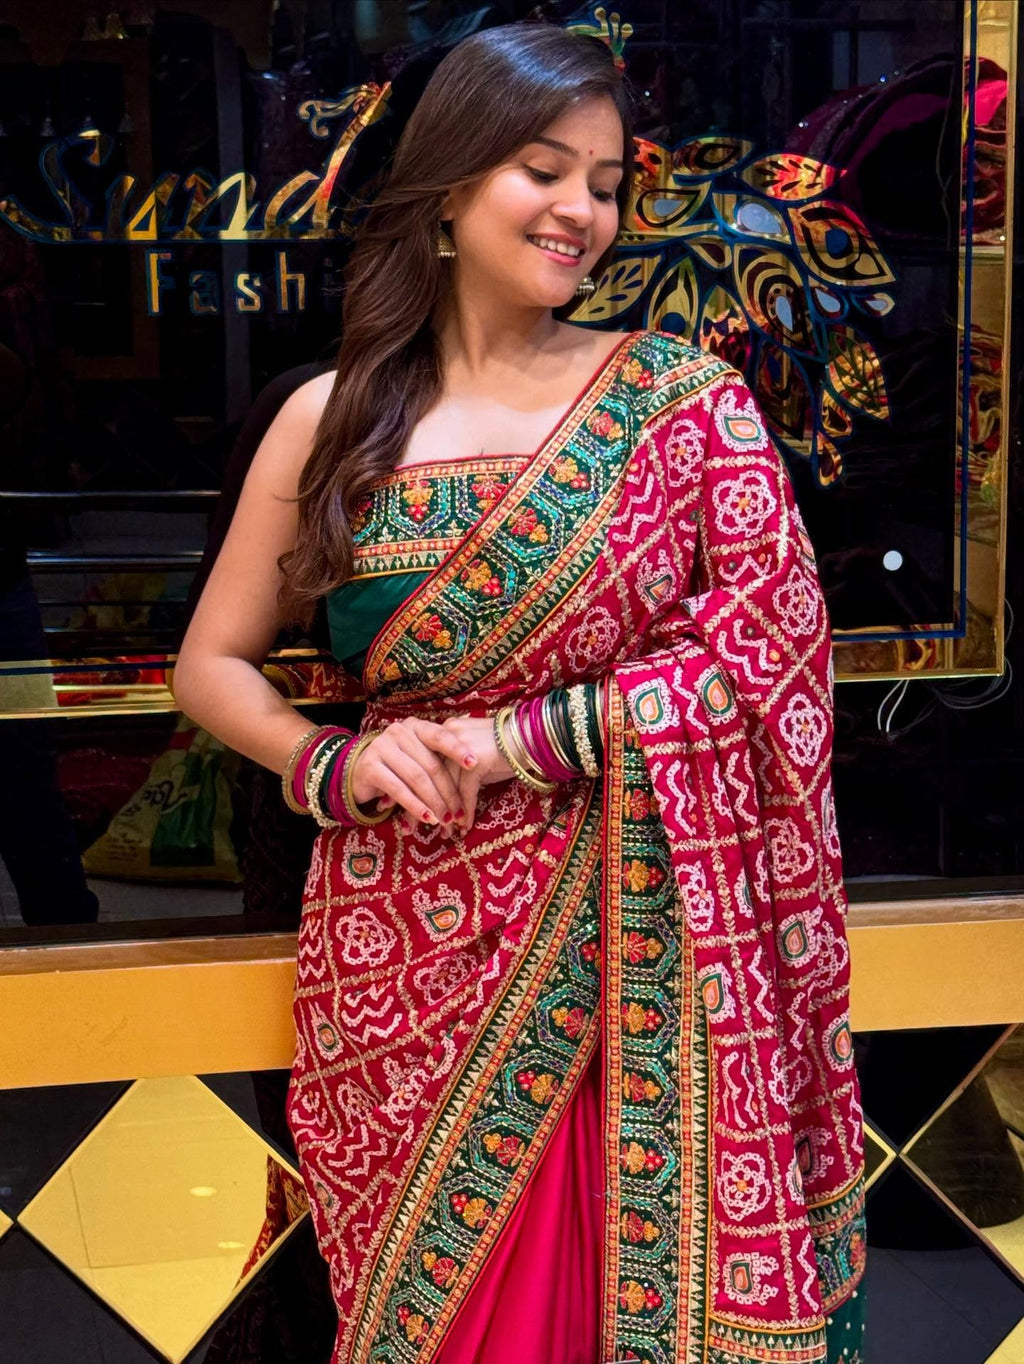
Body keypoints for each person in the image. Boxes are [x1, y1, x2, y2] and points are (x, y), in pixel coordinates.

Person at [172, 21, 865, 1364]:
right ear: (446, 183)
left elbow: (773, 653)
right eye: (543, 170)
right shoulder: (329, 414)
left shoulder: (682, 404)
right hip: (407, 941)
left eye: (605, 185)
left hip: (650, 941)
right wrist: (330, 764)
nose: (582, 213)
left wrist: (518, 739)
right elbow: (212, 663)